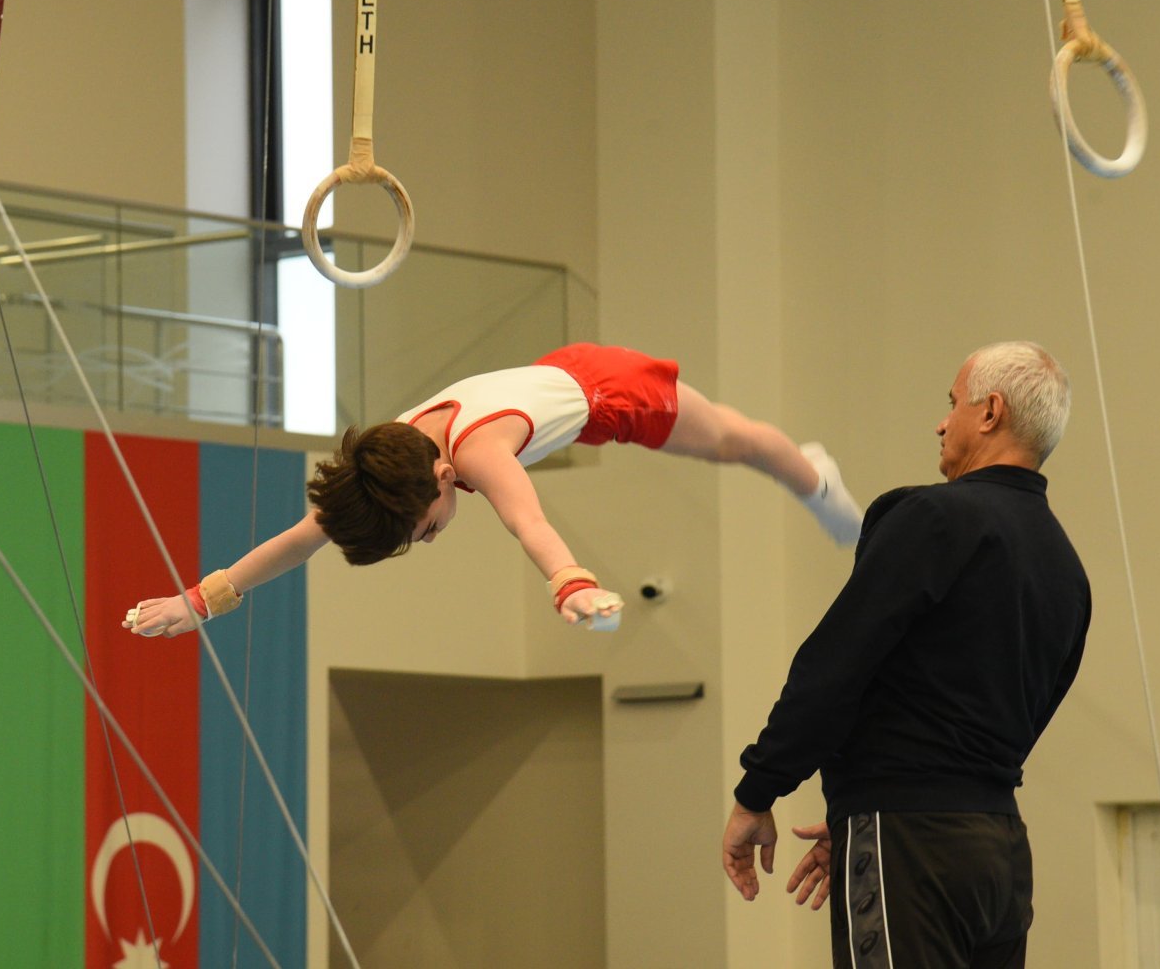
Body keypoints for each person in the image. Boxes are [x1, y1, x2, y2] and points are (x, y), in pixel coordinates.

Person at [720, 340, 1090, 967]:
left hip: (913, 844)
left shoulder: (932, 517)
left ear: (991, 411)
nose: (942, 422)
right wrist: (860, 814)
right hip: (1000, 853)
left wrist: (759, 791)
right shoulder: (1066, 564)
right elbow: (1034, 711)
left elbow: (836, 664)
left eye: (953, 403)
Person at [125, 342, 864, 636]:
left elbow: (529, 524)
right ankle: (808, 474)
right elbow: (297, 540)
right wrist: (201, 601)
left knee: (734, 444)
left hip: (610, 394)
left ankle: (814, 477)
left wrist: (570, 584)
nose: (427, 536)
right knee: (728, 444)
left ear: (446, 478)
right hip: (554, 375)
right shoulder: (382, 465)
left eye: (421, 529)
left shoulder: (479, 454)